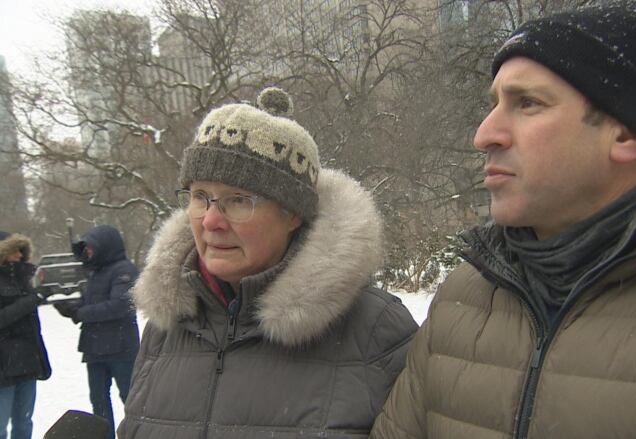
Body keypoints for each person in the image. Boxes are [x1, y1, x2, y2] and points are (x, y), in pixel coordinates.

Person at [371, 1, 636, 438]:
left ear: (626, 133)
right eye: (494, 104)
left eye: (527, 103)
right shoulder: (461, 299)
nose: (484, 135)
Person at [117, 86, 418, 439]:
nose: (211, 221)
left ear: (292, 214)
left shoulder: (374, 330)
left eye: (239, 200)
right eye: (200, 197)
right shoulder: (165, 329)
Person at [53, 225, 139, 439]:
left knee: (132, 400)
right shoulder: (95, 271)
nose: (88, 252)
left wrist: (81, 313)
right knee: (98, 401)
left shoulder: (124, 270)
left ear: (105, 247)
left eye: (91, 248)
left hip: (121, 349)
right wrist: (71, 307)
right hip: (95, 349)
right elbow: (92, 300)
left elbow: (119, 306)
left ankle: (140, 434)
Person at [0, 231, 52, 439]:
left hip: (28, 361)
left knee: (24, 422)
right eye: (14, 251)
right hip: (3, 365)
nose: (20, 256)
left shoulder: (25, 278)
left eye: (21, 251)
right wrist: (32, 300)